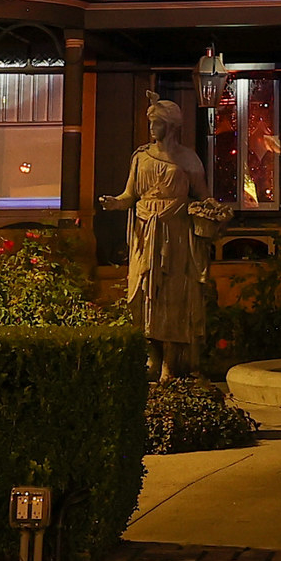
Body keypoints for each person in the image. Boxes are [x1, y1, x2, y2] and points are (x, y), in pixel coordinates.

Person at [100, 97, 209, 378]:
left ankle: (171, 363)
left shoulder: (188, 159)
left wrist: (212, 210)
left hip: (176, 232)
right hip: (145, 232)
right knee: (145, 293)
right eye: (150, 122)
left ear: (171, 127)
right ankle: (152, 358)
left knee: (173, 297)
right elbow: (129, 195)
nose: (151, 128)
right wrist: (115, 203)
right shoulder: (140, 157)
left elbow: (204, 195)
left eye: (157, 123)